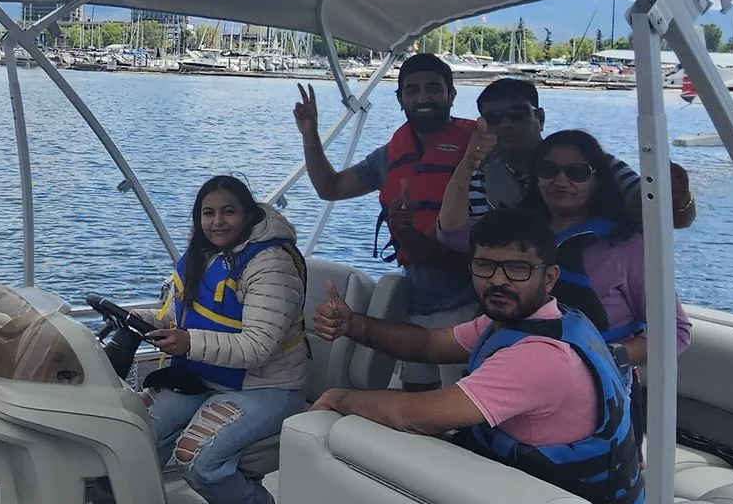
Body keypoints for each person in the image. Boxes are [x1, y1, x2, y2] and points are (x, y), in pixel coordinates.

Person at [307, 206, 641, 504]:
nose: (498, 280)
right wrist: (355, 325)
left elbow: (416, 416)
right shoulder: (545, 319)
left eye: (517, 268)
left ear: (549, 277)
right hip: (528, 488)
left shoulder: (540, 357)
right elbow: (428, 344)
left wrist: (340, 398)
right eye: (485, 266)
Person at [144, 174, 306, 504]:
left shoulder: (271, 265)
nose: (217, 221)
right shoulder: (205, 255)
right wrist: (141, 320)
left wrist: (187, 344)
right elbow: (176, 315)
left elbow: (258, 347)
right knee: (132, 435)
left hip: (267, 386)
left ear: (247, 214)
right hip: (205, 374)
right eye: (208, 213)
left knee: (196, 459)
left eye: (228, 212)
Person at [294, 54, 478, 370]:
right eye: (412, 90)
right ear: (400, 99)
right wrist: (310, 134)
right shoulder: (389, 156)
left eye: (433, 88)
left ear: (451, 95)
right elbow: (331, 187)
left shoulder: (479, 149)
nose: (423, 98)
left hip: (471, 304)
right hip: (415, 304)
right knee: (416, 393)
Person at [433, 77, 697, 249]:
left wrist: (677, 197)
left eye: (517, 113)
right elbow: (457, 237)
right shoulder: (480, 180)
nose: (506, 123)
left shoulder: (598, 164)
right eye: (494, 118)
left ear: (540, 118)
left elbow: (666, 214)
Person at [526, 129, 691, 368]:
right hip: (520, 370)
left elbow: (675, 332)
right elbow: (453, 232)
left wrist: (605, 358)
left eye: (578, 173)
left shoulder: (627, 246)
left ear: (597, 180)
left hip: (594, 383)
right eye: (548, 170)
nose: (561, 181)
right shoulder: (517, 235)